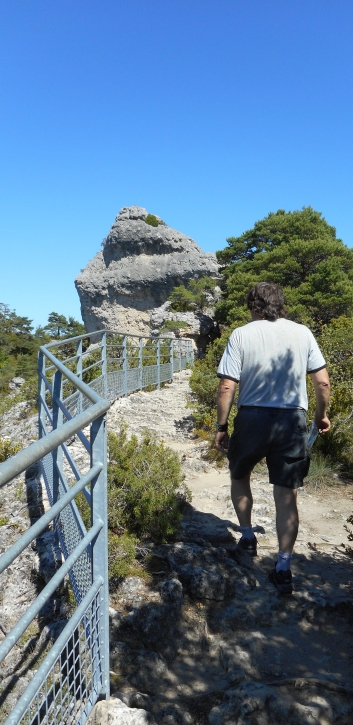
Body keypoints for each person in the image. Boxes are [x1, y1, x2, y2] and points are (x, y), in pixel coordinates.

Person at [215, 282, 330, 595]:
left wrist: (221, 425)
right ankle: (282, 566)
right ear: (282, 304)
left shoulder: (242, 334)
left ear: (253, 305)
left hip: (251, 418)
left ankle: (249, 537)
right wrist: (320, 416)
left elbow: (227, 386)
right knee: (286, 494)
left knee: (240, 475)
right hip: (291, 420)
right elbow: (322, 382)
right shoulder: (303, 333)